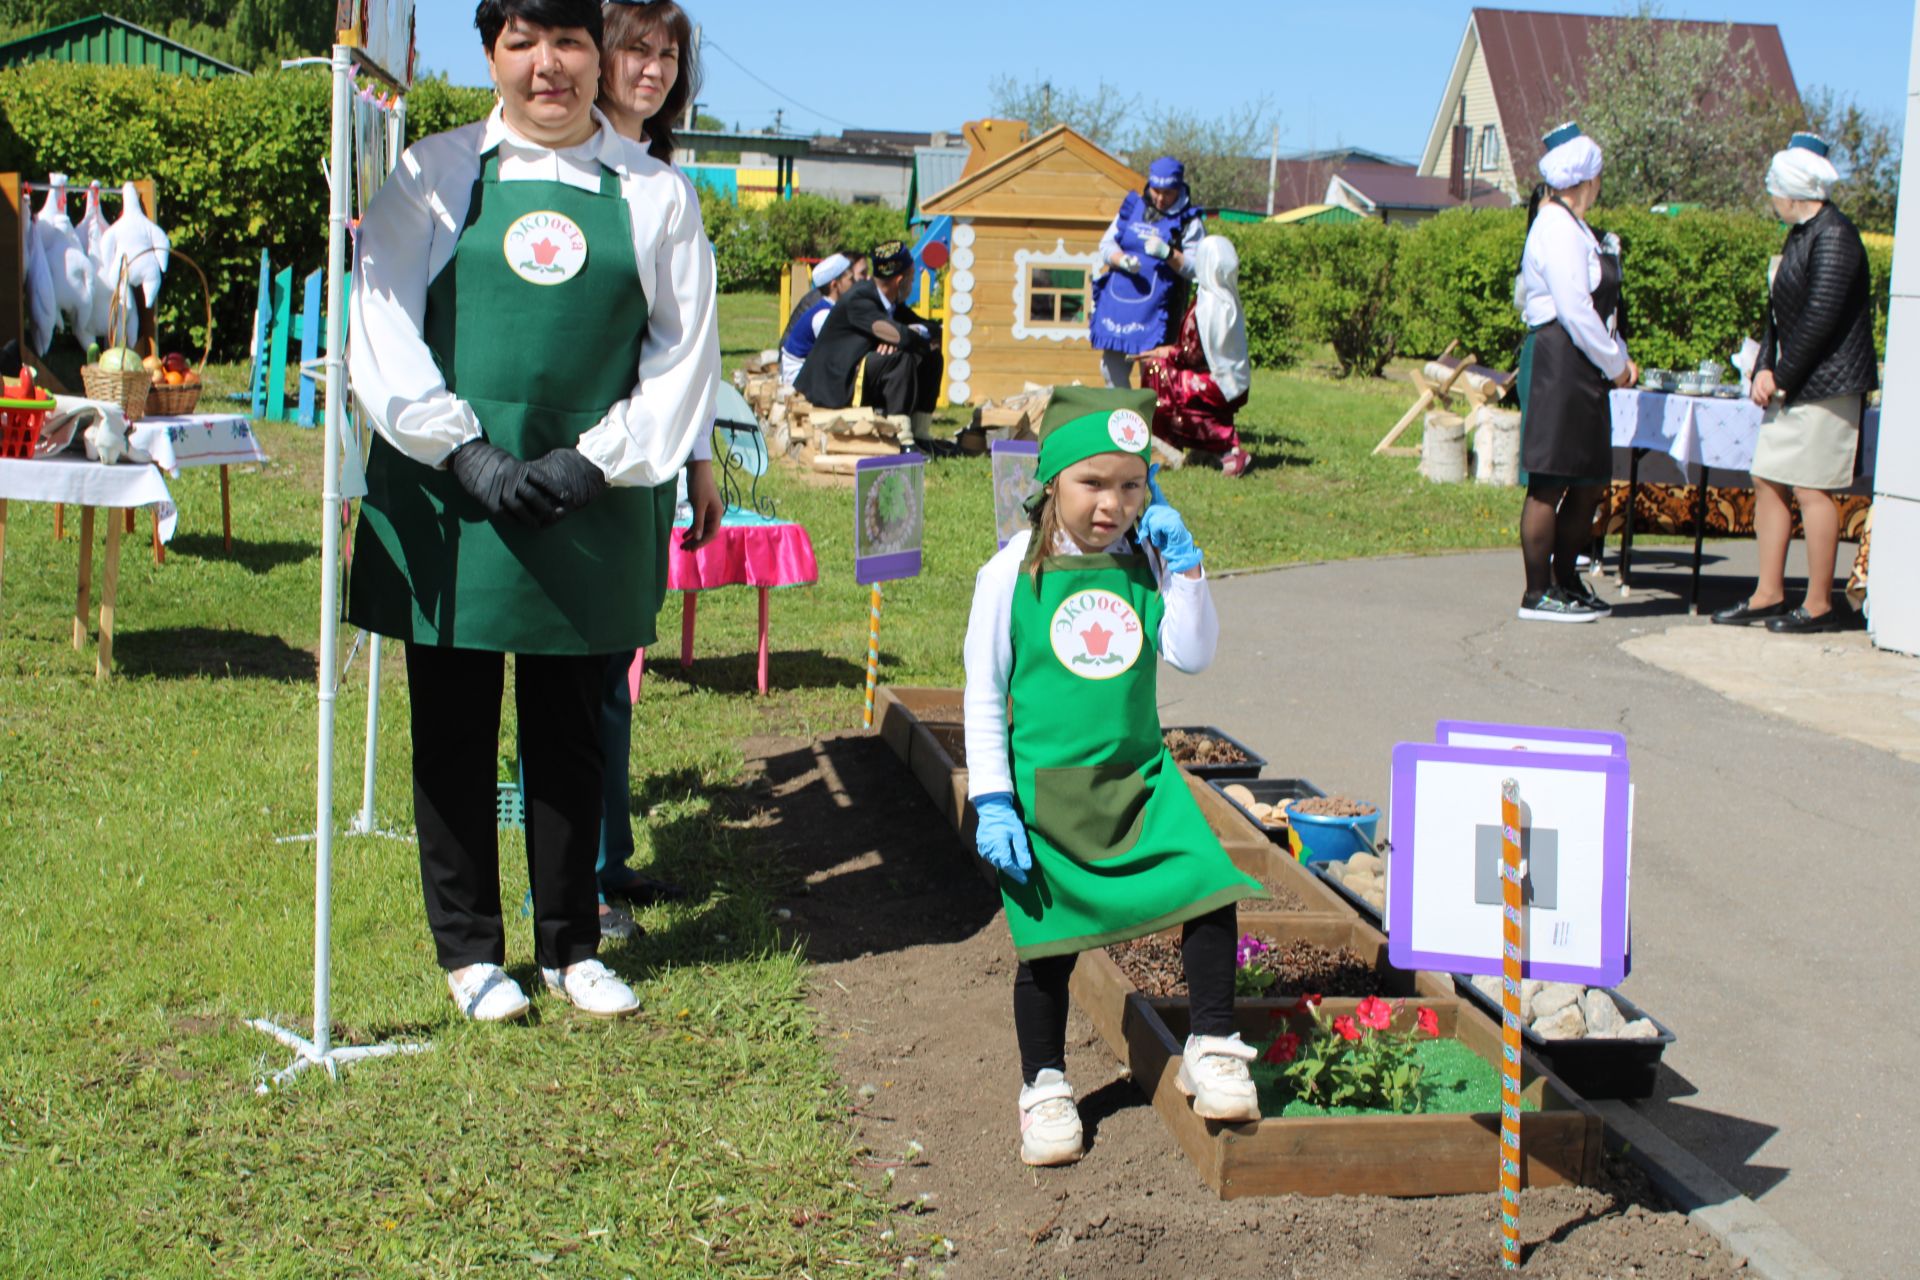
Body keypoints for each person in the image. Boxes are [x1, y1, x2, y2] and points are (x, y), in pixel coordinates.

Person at [346, 0, 720, 1022]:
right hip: (451, 494)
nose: (546, 67)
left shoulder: (653, 195)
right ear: (491, 54)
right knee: (454, 729)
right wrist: (464, 450)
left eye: (567, 42)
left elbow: (683, 350)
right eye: (522, 43)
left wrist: (595, 464)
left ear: (596, 55)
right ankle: (470, 952)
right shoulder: (434, 174)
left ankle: (570, 943)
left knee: (568, 731)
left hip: (584, 501)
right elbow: (379, 315)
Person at [962, 386, 1268, 1167]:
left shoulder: (1145, 564)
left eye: (1132, 485)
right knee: (1047, 948)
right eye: (1093, 484)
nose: (1113, 504)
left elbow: (1192, 654)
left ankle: (1212, 1043)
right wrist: (993, 798)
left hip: (1140, 781)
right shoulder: (1007, 577)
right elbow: (985, 694)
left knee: (1209, 889)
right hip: (1047, 796)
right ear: (1051, 484)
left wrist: (1188, 569)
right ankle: (1045, 1087)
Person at [588, 0, 718, 938]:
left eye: (669, 52)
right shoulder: (571, 172)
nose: (655, 66)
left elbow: (689, 347)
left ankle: (608, 855)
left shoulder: (667, 181)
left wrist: (701, 459)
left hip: (651, 465)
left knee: (618, 663)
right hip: (581, 457)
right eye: (637, 46)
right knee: (579, 673)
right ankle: (578, 879)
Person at [1712, 133, 1878, 635]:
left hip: (1828, 387)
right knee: (1768, 476)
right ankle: (1768, 593)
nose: (1770, 199)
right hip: (1793, 382)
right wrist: (1763, 365)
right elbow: (1779, 318)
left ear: (1792, 191)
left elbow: (1819, 320)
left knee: (1812, 487)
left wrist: (1779, 376)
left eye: (1773, 190)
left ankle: (1821, 603)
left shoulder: (1836, 236)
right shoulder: (1802, 233)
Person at [1511, 123, 1636, 624]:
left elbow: (1603, 312)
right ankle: (1537, 590)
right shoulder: (1555, 227)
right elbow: (1574, 309)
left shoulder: (1582, 229)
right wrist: (1615, 363)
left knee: (1586, 479)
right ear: (1587, 177)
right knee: (1550, 478)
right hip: (1558, 361)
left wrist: (1616, 353)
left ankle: (1566, 579)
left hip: (1584, 364)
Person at [794, 239, 942, 446]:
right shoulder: (860, 299)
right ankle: (901, 437)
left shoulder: (890, 302)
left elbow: (932, 329)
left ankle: (921, 434)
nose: (912, 282)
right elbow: (901, 336)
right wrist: (902, 337)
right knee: (901, 359)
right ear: (900, 280)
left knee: (931, 355)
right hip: (836, 383)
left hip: (858, 371)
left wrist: (909, 333)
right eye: (911, 277)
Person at [1139, 236, 1253, 477]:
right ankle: (1201, 446)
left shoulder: (1208, 304)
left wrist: (1165, 353)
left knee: (1156, 370)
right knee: (1163, 368)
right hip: (1232, 382)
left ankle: (1170, 444)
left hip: (1216, 384)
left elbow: (1193, 356)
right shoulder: (1226, 297)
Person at [1090, 157, 1207, 390]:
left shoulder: (1190, 222)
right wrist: (1121, 259)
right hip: (1120, 305)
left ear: (1179, 188)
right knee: (1111, 371)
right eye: (1156, 191)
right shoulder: (1133, 208)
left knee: (1154, 375)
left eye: (1168, 193)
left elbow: (1196, 269)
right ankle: (1120, 420)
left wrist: (1168, 253)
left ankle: (1152, 423)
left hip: (1159, 313)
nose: (1161, 199)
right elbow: (1106, 246)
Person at [779, 252, 857, 387]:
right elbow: (838, 356)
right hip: (799, 378)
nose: (855, 283)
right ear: (834, 285)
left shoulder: (831, 309)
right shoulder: (824, 315)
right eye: (850, 279)